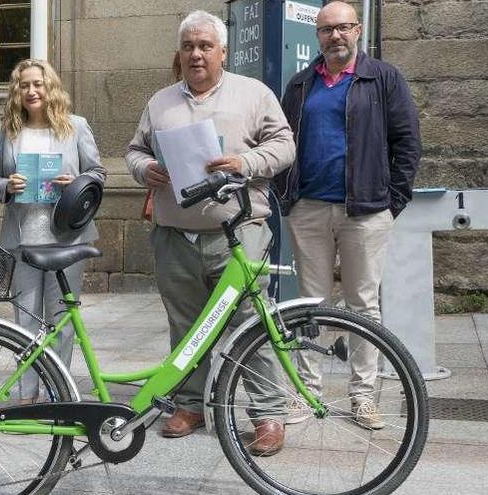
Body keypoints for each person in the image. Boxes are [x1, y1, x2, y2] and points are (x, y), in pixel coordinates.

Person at [126, 11, 295, 455]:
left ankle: (266, 414)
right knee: (186, 324)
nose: (196, 54)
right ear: (178, 53)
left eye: (205, 46)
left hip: (238, 231)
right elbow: (134, 151)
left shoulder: (253, 94)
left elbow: (285, 145)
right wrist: (146, 169)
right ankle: (189, 404)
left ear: (223, 52)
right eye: (188, 46)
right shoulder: (159, 102)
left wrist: (246, 163)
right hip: (175, 234)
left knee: (250, 321)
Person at [279, 1, 421, 428]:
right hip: (309, 209)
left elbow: (407, 142)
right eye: (326, 30)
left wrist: (392, 200)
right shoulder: (302, 83)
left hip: (366, 210)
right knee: (311, 306)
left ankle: (362, 395)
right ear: (317, 36)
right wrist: (288, 197)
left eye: (342, 27)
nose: (334, 36)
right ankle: (307, 394)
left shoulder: (383, 77)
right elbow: (283, 143)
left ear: (357, 30)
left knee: (363, 305)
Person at [0, 59, 106, 402]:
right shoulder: (8, 132)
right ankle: (27, 391)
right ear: (17, 91)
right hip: (22, 238)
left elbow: (98, 174)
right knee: (24, 318)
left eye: (37, 84)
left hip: (66, 237)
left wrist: (77, 182)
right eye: (24, 85)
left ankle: (59, 392)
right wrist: (7, 184)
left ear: (49, 87)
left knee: (61, 320)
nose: (31, 91)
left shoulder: (75, 126)